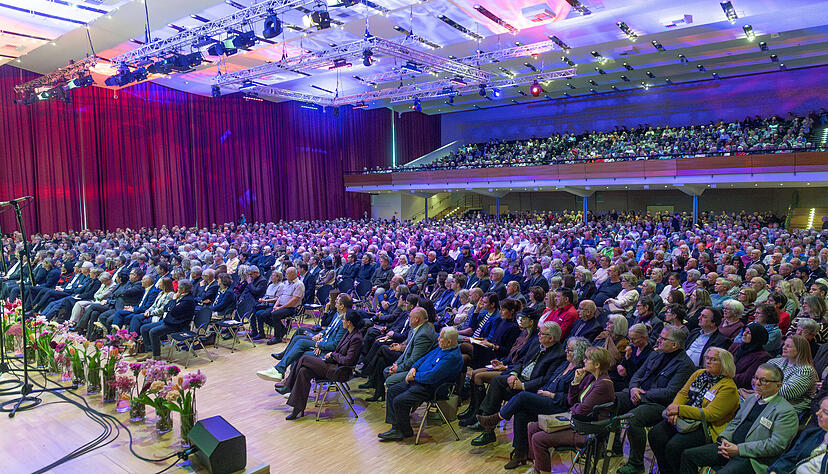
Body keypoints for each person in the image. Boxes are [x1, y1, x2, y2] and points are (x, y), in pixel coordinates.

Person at [503, 347, 615, 471]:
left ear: (597, 364)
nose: (584, 361)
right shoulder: (590, 378)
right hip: (576, 420)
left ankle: (541, 470)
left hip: (587, 430)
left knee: (538, 438)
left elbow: (582, 410)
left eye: (587, 359)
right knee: (533, 427)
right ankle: (537, 467)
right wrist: (575, 382)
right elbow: (572, 401)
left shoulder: (604, 384)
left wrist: (574, 408)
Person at [679, 364, 799, 474]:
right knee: (688, 455)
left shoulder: (785, 411)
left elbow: (776, 445)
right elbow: (735, 422)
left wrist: (739, 450)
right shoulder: (751, 398)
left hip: (752, 458)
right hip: (730, 446)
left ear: (778, 385)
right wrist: (725, 438)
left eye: (763, 380)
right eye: (756, 378)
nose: (757, 383)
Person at [616, 325, 696, 474]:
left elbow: (670, 393)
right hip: (639, 394)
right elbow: (637, 375)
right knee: (613, 400)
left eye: (663, 338)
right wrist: (634, 388)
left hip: (660, 404)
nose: (658, 340)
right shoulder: (656, 354)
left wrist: (642, 395)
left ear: (675, 344)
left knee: (633, 418)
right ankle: (612, 447)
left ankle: (636, 464)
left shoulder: (685, 365)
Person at [648, 347, 740, 474]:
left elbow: (710, 414)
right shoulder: (699, 373)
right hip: (684, 417)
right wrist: (674, 410)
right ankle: (666, 471)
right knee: (656, 434)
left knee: (674, 447)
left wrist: (679, 409)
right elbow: (683, 394)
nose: (708, 362)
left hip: (706, 427)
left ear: (724, 364)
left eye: (713, 359)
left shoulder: (728, 388)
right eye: (707, 358)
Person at [459, 322, 566, 428]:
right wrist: (513, 374)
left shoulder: (558, 354)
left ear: (551, 338)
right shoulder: (536, 343)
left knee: (494, 385)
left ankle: (485, 423)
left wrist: (523, 385)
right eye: (539, 332)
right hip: (518, 377)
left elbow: (545, 379)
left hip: (530, 385)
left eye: (542, 334)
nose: (538, 335)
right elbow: (522, 361)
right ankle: (482, 419)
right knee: (496, 381)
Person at [378, 326, 464, 441]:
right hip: (420, 381)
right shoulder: (442, 347)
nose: (438, 339)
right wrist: (413, 368)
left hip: (432, 388)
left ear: (448, 342)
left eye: (441, 338)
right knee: (393, 391)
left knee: (399, 400)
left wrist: (414, 377)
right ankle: (396, 428)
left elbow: (432, 377)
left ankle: (405, 432)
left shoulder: (452, 357)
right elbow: (423, 358)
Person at [274, 310, 364, 420]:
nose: (342, 321)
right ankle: (297, 409)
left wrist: (333, 355)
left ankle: (288, 385)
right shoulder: (348, 332)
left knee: (304, 358)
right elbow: (337, 349)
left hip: (340, 370)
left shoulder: (356, 338)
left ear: (349, 322)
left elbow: (348, 361)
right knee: (303, 371)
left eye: (344, 319)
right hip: (332, 364)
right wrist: (321, 348)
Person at [257, 293, 351, 382]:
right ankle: (284, 377)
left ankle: (283, 374)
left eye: (337, 302)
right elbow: (328, 329)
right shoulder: (338, 315)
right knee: (299, 339)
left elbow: (335, 344)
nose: (334, 303)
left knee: (301, 345)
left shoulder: (344, 322)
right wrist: (321, 335)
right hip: (324, 341)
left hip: (328, 351)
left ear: (342, 306)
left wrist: (320, 345)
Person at [366, 306, 437, 402]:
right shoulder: (415, 329)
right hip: (408, 361)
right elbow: (407, 351)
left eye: (410, 317)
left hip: (417, 370)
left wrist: (397, 368)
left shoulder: (423, 334)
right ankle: (381, 394)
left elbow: (414, 360)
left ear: (416, 319)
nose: (408, 319)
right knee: (381, 361)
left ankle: (398, 402)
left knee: (384, 357)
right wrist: (396, 364)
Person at [742, 335, 818, 414]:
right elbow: (755, 381)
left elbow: (786, 393)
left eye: (788, 346)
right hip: (765, 400)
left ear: (800, 350)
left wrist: (760, 388)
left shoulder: (806, 370)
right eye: (784, 344)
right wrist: (760, 388)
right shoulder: (774, 362)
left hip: (789, 410)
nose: (783, 347)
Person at [136, 279, 196, 361]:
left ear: (183, 290)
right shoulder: (180, 296)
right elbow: (165, 308)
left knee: (153, 332)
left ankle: (156, 356)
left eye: (178, 288)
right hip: (169, 321)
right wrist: (172, 305)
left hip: (178, 325)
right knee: (144, 328)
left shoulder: (188, 300)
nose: (176, 290)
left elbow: (174, 311)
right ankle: (149, 353)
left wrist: (174, 300)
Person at [767, 395, 828, 474]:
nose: (817, 413)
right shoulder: (811, 434)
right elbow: (788, 459)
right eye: (820, 409)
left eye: (825, 412)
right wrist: (774, 471)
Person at [728, 322, 772, 389]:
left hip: (738, 388)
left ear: (756, 336)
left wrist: (724, 376)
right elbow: (723, 362)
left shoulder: (763, 357)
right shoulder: (735, 346)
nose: (744, 334)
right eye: (745, 331)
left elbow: (746, 379)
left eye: (748, 333)